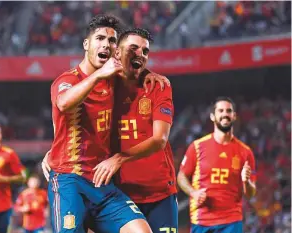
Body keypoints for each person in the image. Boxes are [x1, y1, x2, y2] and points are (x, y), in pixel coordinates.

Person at [46, 14, 168, 233]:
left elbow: (134, 69)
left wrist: (149, 73)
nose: (106, 44)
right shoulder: (68, 80)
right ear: (86, 44)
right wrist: (98, 76)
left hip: (101, 181)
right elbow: (63, 104)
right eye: (100, 38)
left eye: (112, 41)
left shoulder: (114, 81)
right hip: (68, 179)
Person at [91, 28, 178, 233]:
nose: (140, 54)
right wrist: (54, 152)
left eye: (145, 51)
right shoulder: (101, 87)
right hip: (120, 195)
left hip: (160, 193)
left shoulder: (158, 85)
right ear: (117, 53)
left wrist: (119, 158)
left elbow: (160, 139)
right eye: (133, 48)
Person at [177, 97, 257, 233]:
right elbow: (181, 176)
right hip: (202, 220)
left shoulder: (245, 152)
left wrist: (246, 182)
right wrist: (193, 192)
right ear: (213, 116)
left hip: (231, 221)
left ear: (234, 116)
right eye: (220, 110)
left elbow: (250, 194)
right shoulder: (197, 147)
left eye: (228, 111)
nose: (225, 114)